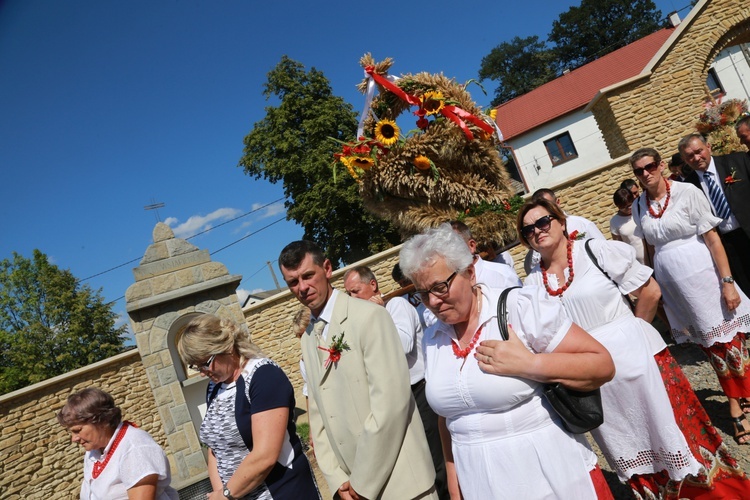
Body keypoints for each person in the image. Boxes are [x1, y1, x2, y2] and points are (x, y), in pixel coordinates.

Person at [519, 198, 750, 497]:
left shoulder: (596, 251)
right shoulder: (533, 285)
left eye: (542, 222)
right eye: (527, 230)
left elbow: (650, 291)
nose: (537, 231)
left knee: (683, 439)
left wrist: (632, 336)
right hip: (594, 383)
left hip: (640, 364)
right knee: (634, 451)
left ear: (561, 222)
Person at [399, 224, 615, 499]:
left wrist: (530, 365)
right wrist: (454, 482)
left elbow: (601, 364)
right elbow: (447, 417)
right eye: (422, 293)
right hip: (480, 485)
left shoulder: (518, 308)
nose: (433, 301)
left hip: (547, 477)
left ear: (469, 272)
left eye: (440, 287)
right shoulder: (432, 338)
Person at [278, 240, 437, 500]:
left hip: (402, 483)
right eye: (293, 282)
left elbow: (390, 404)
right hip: (351, 486)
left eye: (308, 276)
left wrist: (362, 483)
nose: (302, 288)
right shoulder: (309, 337)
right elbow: (319, 414)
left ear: (327, 268)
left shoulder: (369, 317)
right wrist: (337, 478)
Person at [631, 147, 750, 446]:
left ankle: (736, 404)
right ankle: (742, 396)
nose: (645, 174)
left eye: (650, 167)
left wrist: (727, 282)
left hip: (705, 278)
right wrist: (659, 294)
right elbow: (650, 251)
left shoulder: (686, 192)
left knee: (730, 343)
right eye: (638, 171)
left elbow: (713, 239)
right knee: (709, 347)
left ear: (660, 166)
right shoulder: (638, 206)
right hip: (676, 290)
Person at [176, 314, 319, 500]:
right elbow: (215, 448)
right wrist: (221, 491)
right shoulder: (215, 386)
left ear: (225, 348)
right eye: (196, 367)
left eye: (205, 364)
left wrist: (226, 494)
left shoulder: (263, 376)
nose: (203, 373)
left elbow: (265, 455)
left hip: (280, 491)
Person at [343, 266, 448, 500]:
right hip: (399, 398)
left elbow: (401, 346)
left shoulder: (395, 306)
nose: (352, 298)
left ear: (373, 286)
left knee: (437, 459)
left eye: (355, 291)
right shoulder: (360, 321)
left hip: (419, 392)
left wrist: (378, 318)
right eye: (348, 294)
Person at [56, 387, 179, 500]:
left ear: (102, 421)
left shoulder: (135, 447)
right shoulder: (95, 449)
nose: (74, 439)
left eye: (77, 430)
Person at [680, 133, 750, 296]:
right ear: (684, 160)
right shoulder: (688, 186)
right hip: (725, 245)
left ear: (708, 147)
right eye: (690, 156)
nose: (696, 158)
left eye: (699, 151)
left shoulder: (737, 161)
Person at [523, 188, 606, 275]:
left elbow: (603, 251)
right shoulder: (538, 241)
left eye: (549, 205)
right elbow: (534, 270)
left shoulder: (582, 224)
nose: (546, 211)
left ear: (558, 203)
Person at [449, 220, 521, 289]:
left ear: (471, 246)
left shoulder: (503, 275)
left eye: (453, 246)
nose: (447, 253)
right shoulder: (447, 284)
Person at [609, 187, 645, 264]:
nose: (629, 208)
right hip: (637, 262)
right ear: (618, 206)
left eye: (630, 204)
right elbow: (618, 245)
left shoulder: (641, 210)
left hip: (654, 254)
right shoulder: (615, 222)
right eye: (624, 207)